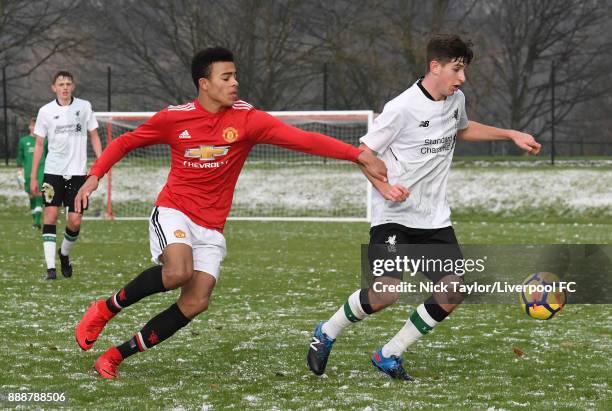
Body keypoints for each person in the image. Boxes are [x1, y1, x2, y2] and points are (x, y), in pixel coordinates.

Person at [73, 47, 387, 379]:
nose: (235, 82)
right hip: (174, 210)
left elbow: (303, 140)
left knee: (195, 302)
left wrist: (357, 156)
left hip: (211, 226)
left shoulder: (247, 119)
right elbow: (125, 143)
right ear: (204, 84)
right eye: (226, 77)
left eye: (235, 75)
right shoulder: (175, 118)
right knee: (179, 270)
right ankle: (105, 309)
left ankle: (114, 356)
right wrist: (94, 177)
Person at [307, 34, 542, 381]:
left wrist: (510, 134)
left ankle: (389, 354)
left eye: (464, 70)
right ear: (435, 67)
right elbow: (364, 153)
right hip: (394, 218)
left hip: (433, 219)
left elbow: (462, 128)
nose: (461, 78)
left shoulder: (455, 99)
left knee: (454, 289)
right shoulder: (401, 108)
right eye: (456, 69)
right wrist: (384, 187)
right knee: (387, 291)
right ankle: (326, 331)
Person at [30, 71, 102, 280]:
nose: (64, 87)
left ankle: (64, 254)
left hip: (79, 174)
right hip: (53, 172)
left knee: (75, 221)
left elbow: (94, 135)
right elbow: (39, 145)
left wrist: (102, 163)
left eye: (68, 83)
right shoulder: (45, 111)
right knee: (50, 216)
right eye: (61, 84)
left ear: (73, 86)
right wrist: (34, 176)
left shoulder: (84, 106)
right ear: (54, 87)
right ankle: (51, 270)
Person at [17, 117, 47, 229]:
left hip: (41, 170)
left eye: (37, 126)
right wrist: (19, 172)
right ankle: (35, 219)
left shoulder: (45, 140)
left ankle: (37, 221)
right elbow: (20, 158)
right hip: (28, 171)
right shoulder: (23, 141)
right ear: (29, 127)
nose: (35, 128)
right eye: (33, 125)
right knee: (31, 195)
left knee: (38, 192)